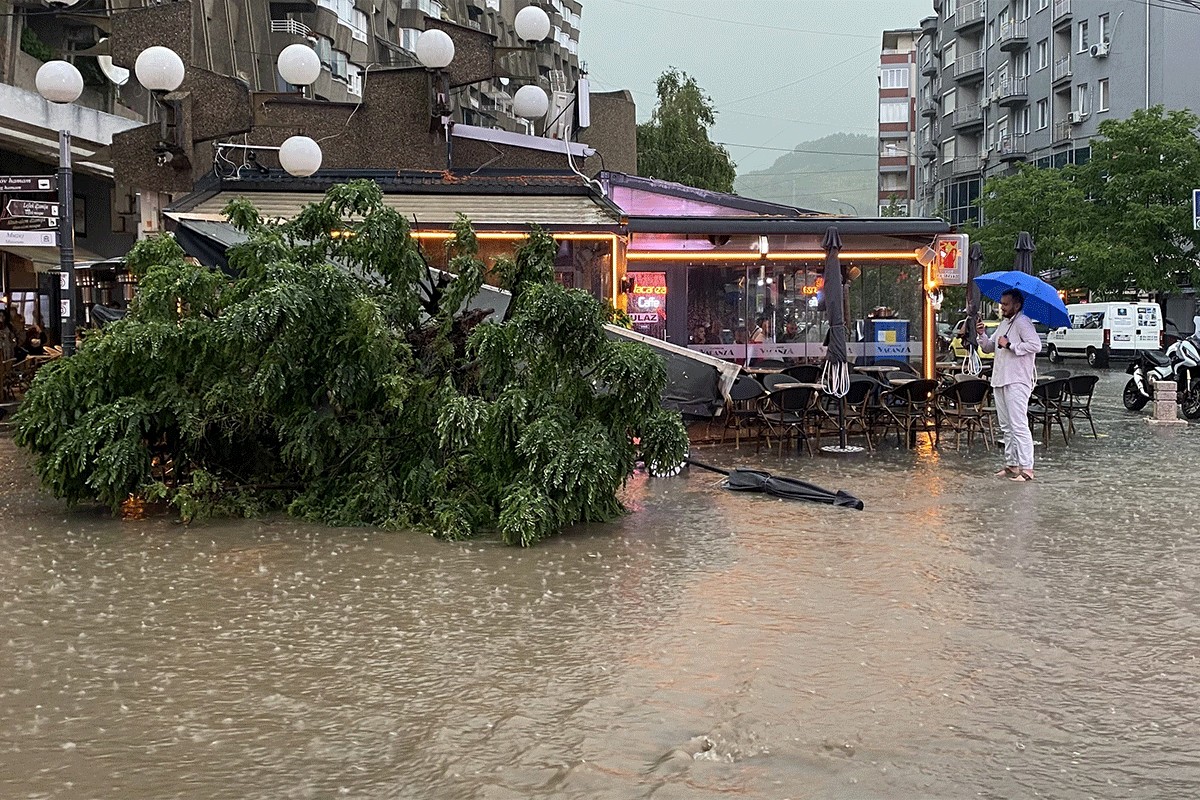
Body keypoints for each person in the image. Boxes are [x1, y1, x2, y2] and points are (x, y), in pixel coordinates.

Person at [977, 289, 1042, 482]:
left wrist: (1011, 345)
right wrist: (982, 335)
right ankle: (1012, 464)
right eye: (1001, 304)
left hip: (1017, 380)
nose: (1002, 307)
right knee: (1006, 426)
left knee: (1018, 424)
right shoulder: (1004, 323)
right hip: (1000, 378)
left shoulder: (1023, 322)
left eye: (1006, 304)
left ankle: (1027, 468)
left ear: (1016, 305)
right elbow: (989, 347)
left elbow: (1035, 345)